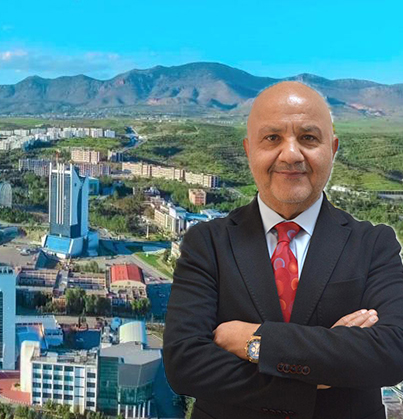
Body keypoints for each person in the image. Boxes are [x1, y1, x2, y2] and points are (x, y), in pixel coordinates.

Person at [162, 81, 403, 419]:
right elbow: (185, 364)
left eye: (309, 138)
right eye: (273, 138)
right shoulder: (207, 243)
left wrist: (252, 342)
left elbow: (393, 353)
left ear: (332, 149)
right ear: (249, 150)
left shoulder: (374, 244)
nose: (291, 155)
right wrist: (318, 372)